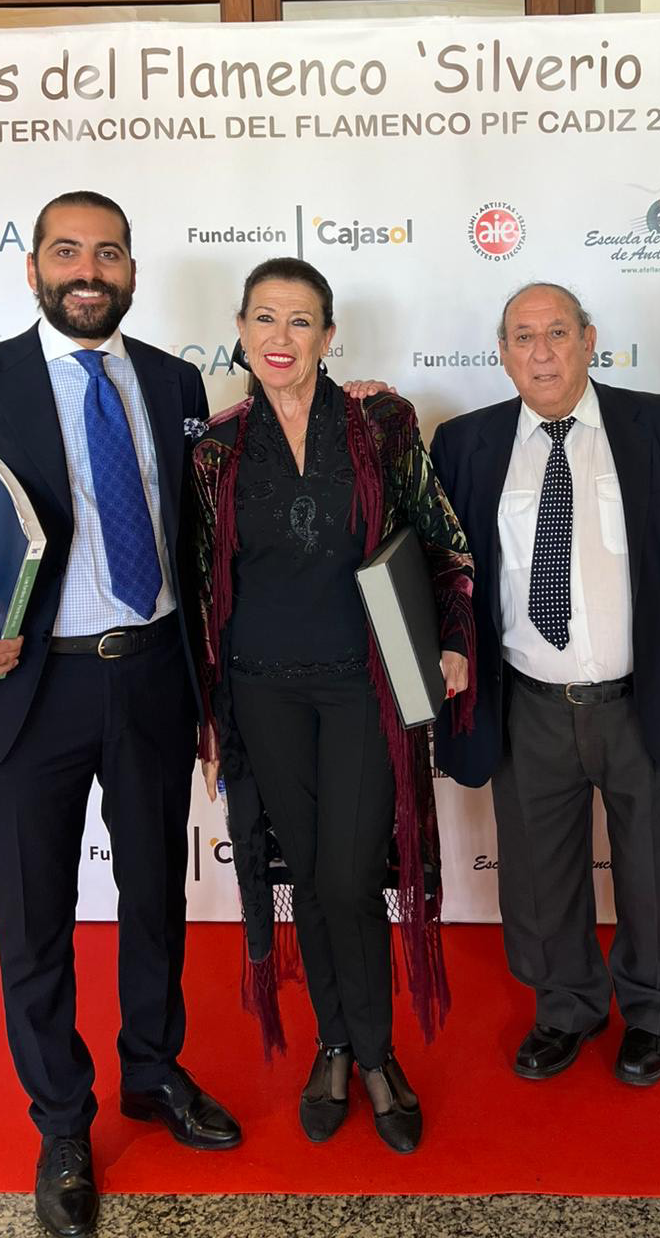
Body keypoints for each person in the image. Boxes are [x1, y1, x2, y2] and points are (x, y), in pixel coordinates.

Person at [0, 191, 240, 1238]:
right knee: (35, 919)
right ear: (34, 267)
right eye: (67, 251)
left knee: (154, 898)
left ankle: (152, 1070)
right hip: (25, 687)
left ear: (131, 269)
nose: (88, 268)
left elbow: (197, 542)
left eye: (108, 252)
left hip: (152, 680)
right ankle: (62, 1118)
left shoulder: (176, 383)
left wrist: (212, 688)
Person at [188, 257, 475, 1154]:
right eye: (264, 319)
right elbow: (202, 589)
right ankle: (337, 1046)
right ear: (239, 330)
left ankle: (380, 1053)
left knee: (351, 876)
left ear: (329, 334)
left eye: (301, 320)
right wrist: (208, 718)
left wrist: (456, 638)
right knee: (306, 876)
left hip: (361, 682)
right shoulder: (215, 450)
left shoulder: (381, 425)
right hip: (260, 690)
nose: (281, 337)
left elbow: (441, 539)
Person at [429, 281, 660, 1088]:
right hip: (527, 702)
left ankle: (657, 1012)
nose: (542, 351)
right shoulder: (466, 443)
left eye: (558, 332)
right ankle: (565, 1007)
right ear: (503, 353)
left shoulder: (658, 424)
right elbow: (444, 568)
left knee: (657, 871)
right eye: (523, 336)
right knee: (537, 872)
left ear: (591, 340)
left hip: (639, 694)